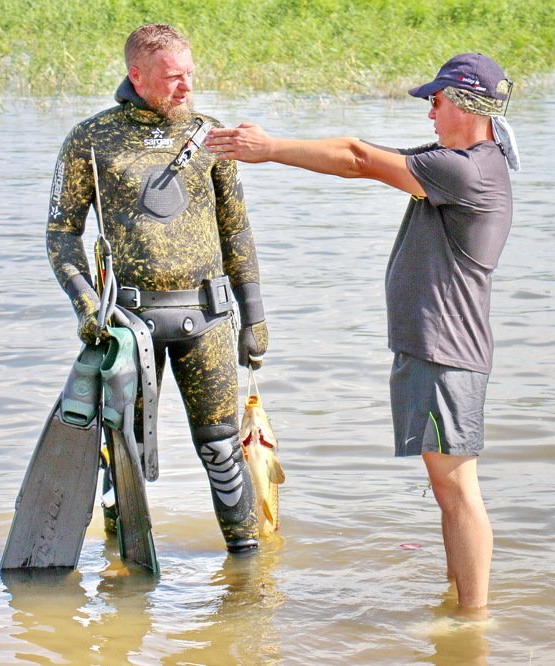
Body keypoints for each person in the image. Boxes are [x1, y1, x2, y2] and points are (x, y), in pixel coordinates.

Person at [205, 52, 518, 611]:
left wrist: (270, 148)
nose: (430, 113)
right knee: (446, 489)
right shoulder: (458, 161)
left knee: (457, 490)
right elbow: (367, 154)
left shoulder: (464, 170)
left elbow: (356, 158)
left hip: (446, 353)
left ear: (467, 106)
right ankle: (456, 601)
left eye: (436, 101)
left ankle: (473, 620)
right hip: (435, 350)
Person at [46, 23, 269, 554]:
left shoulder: (212, 135)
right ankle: (123, 567)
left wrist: (254, 315)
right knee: (121, 452)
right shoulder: (91, 139)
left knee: (222, 449)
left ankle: (247, 571)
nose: (187, 86)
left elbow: (236, 230)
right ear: (137, 76)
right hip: (128, 325)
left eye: (190, 73)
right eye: (173, 77)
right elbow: (61, 233)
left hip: (207, 318)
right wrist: (86, 305)